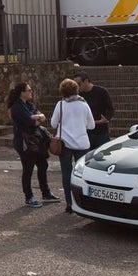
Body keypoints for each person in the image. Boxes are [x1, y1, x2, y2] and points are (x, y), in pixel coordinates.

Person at [7, 82, 58, 208]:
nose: (31, 92)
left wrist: (36, 117)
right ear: (22, 93)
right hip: (25, 142)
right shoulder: (17, 107)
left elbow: (42, 117)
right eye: (29, 90)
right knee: (28, 169)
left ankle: (45, 193)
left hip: (36, 140)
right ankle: (29, 197)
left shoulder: (28, 104)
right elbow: (31, 122)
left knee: (43, 164)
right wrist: (36, 119)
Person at [50, 77, 95, 214]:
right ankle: (83, 202)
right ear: (76, 89)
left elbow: (53, 123)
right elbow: (91, 125)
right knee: (83, 174)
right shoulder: (84, 104)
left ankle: (69, 203)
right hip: (82, 143)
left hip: (65, 143)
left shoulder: (61, 105)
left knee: (66, 172)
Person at [76, 73, 115, 150]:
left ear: (86, 81)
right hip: (85, 132)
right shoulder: (78, 95)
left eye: (79, 83)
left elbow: (110, 109)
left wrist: (106, 119)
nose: (77, 86)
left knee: (103, 154)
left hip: (101, 132)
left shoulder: (101, 92)